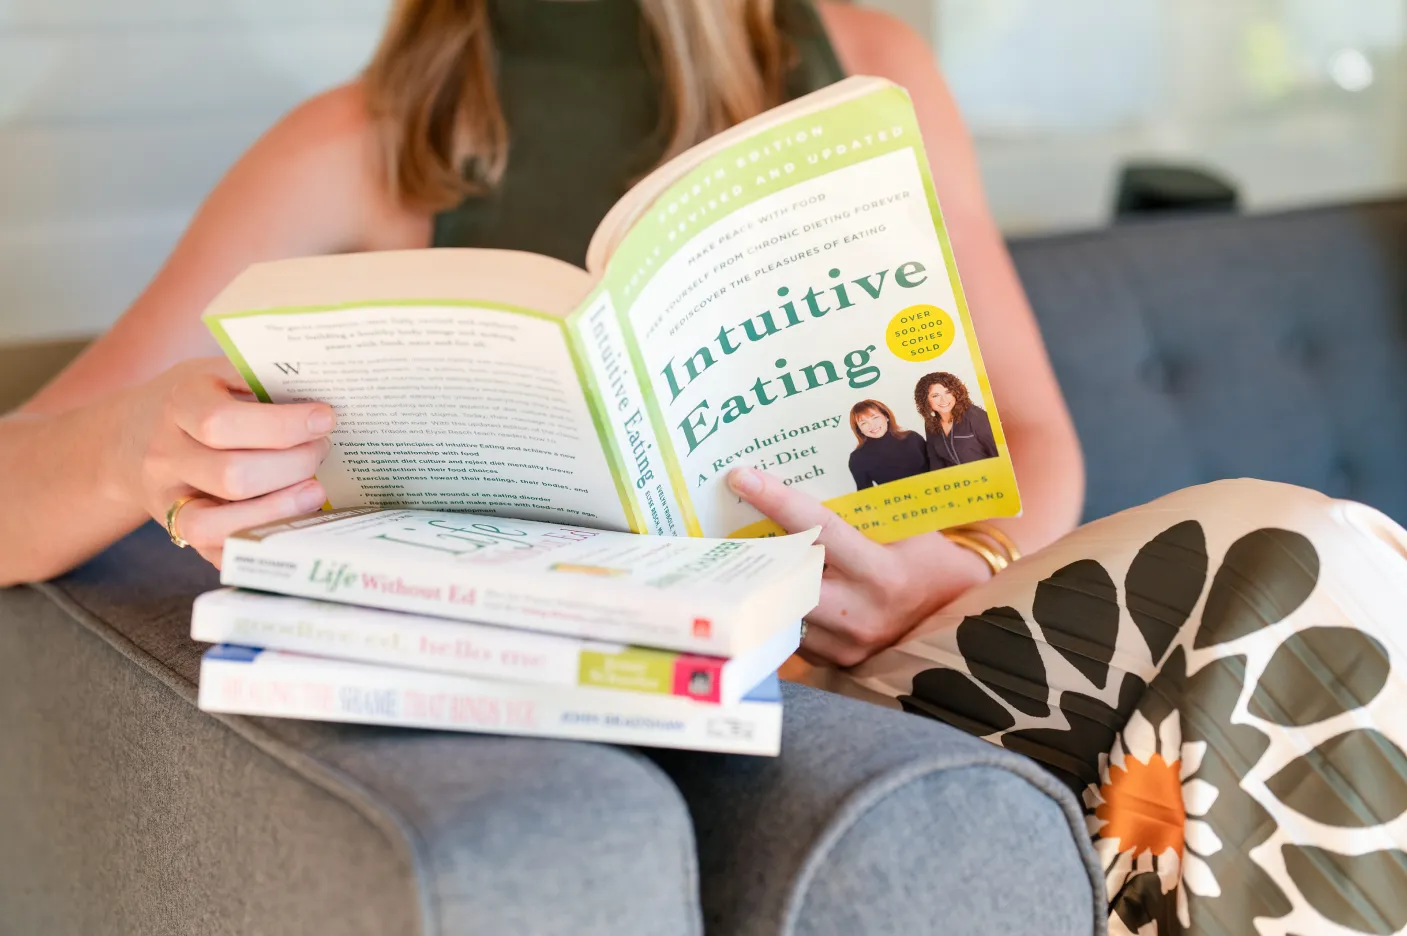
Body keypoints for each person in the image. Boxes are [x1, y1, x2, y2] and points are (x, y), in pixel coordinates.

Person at [9, 6, 1394, 931]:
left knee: (1306, 554)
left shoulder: (866, 61)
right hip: (683, 696)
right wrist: (142, 445)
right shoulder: (373, 138)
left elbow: (1025, 438)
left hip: (918, 649)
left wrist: (951, 566)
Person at [913, 371, 998, 470]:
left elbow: (998, 452)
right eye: (935, 395)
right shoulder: (930, 424)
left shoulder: (976, 416)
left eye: (948, 392)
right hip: (957, 483)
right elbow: (935, 462)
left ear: (956, 393)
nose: (944, 400)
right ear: (925, 400)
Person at [846, 400, 927, 490]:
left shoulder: (912, 438)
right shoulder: (857, 458)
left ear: (886, 417)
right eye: (864, 423)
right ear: (859, 429)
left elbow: (936, 469)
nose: (872, 425)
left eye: (875, 417)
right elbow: (865, 495)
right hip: (898, 502)